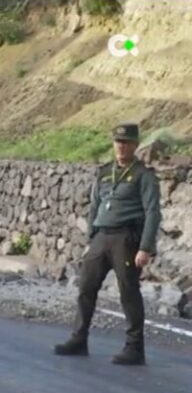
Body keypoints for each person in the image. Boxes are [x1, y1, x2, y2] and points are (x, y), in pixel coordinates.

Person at [54, 123, 161, 366]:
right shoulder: (104, 172)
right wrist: (91, 236)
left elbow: (153, 212)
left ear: (135, 145)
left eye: (126, 143)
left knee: (128, 291)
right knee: (86, 287)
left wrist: (145, 247)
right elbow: (95, 205)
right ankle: (79, 339)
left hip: (126, 238)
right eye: (117, 142)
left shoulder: (143, 175)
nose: (121, 147)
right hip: (102, 236)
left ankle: (134, 348)